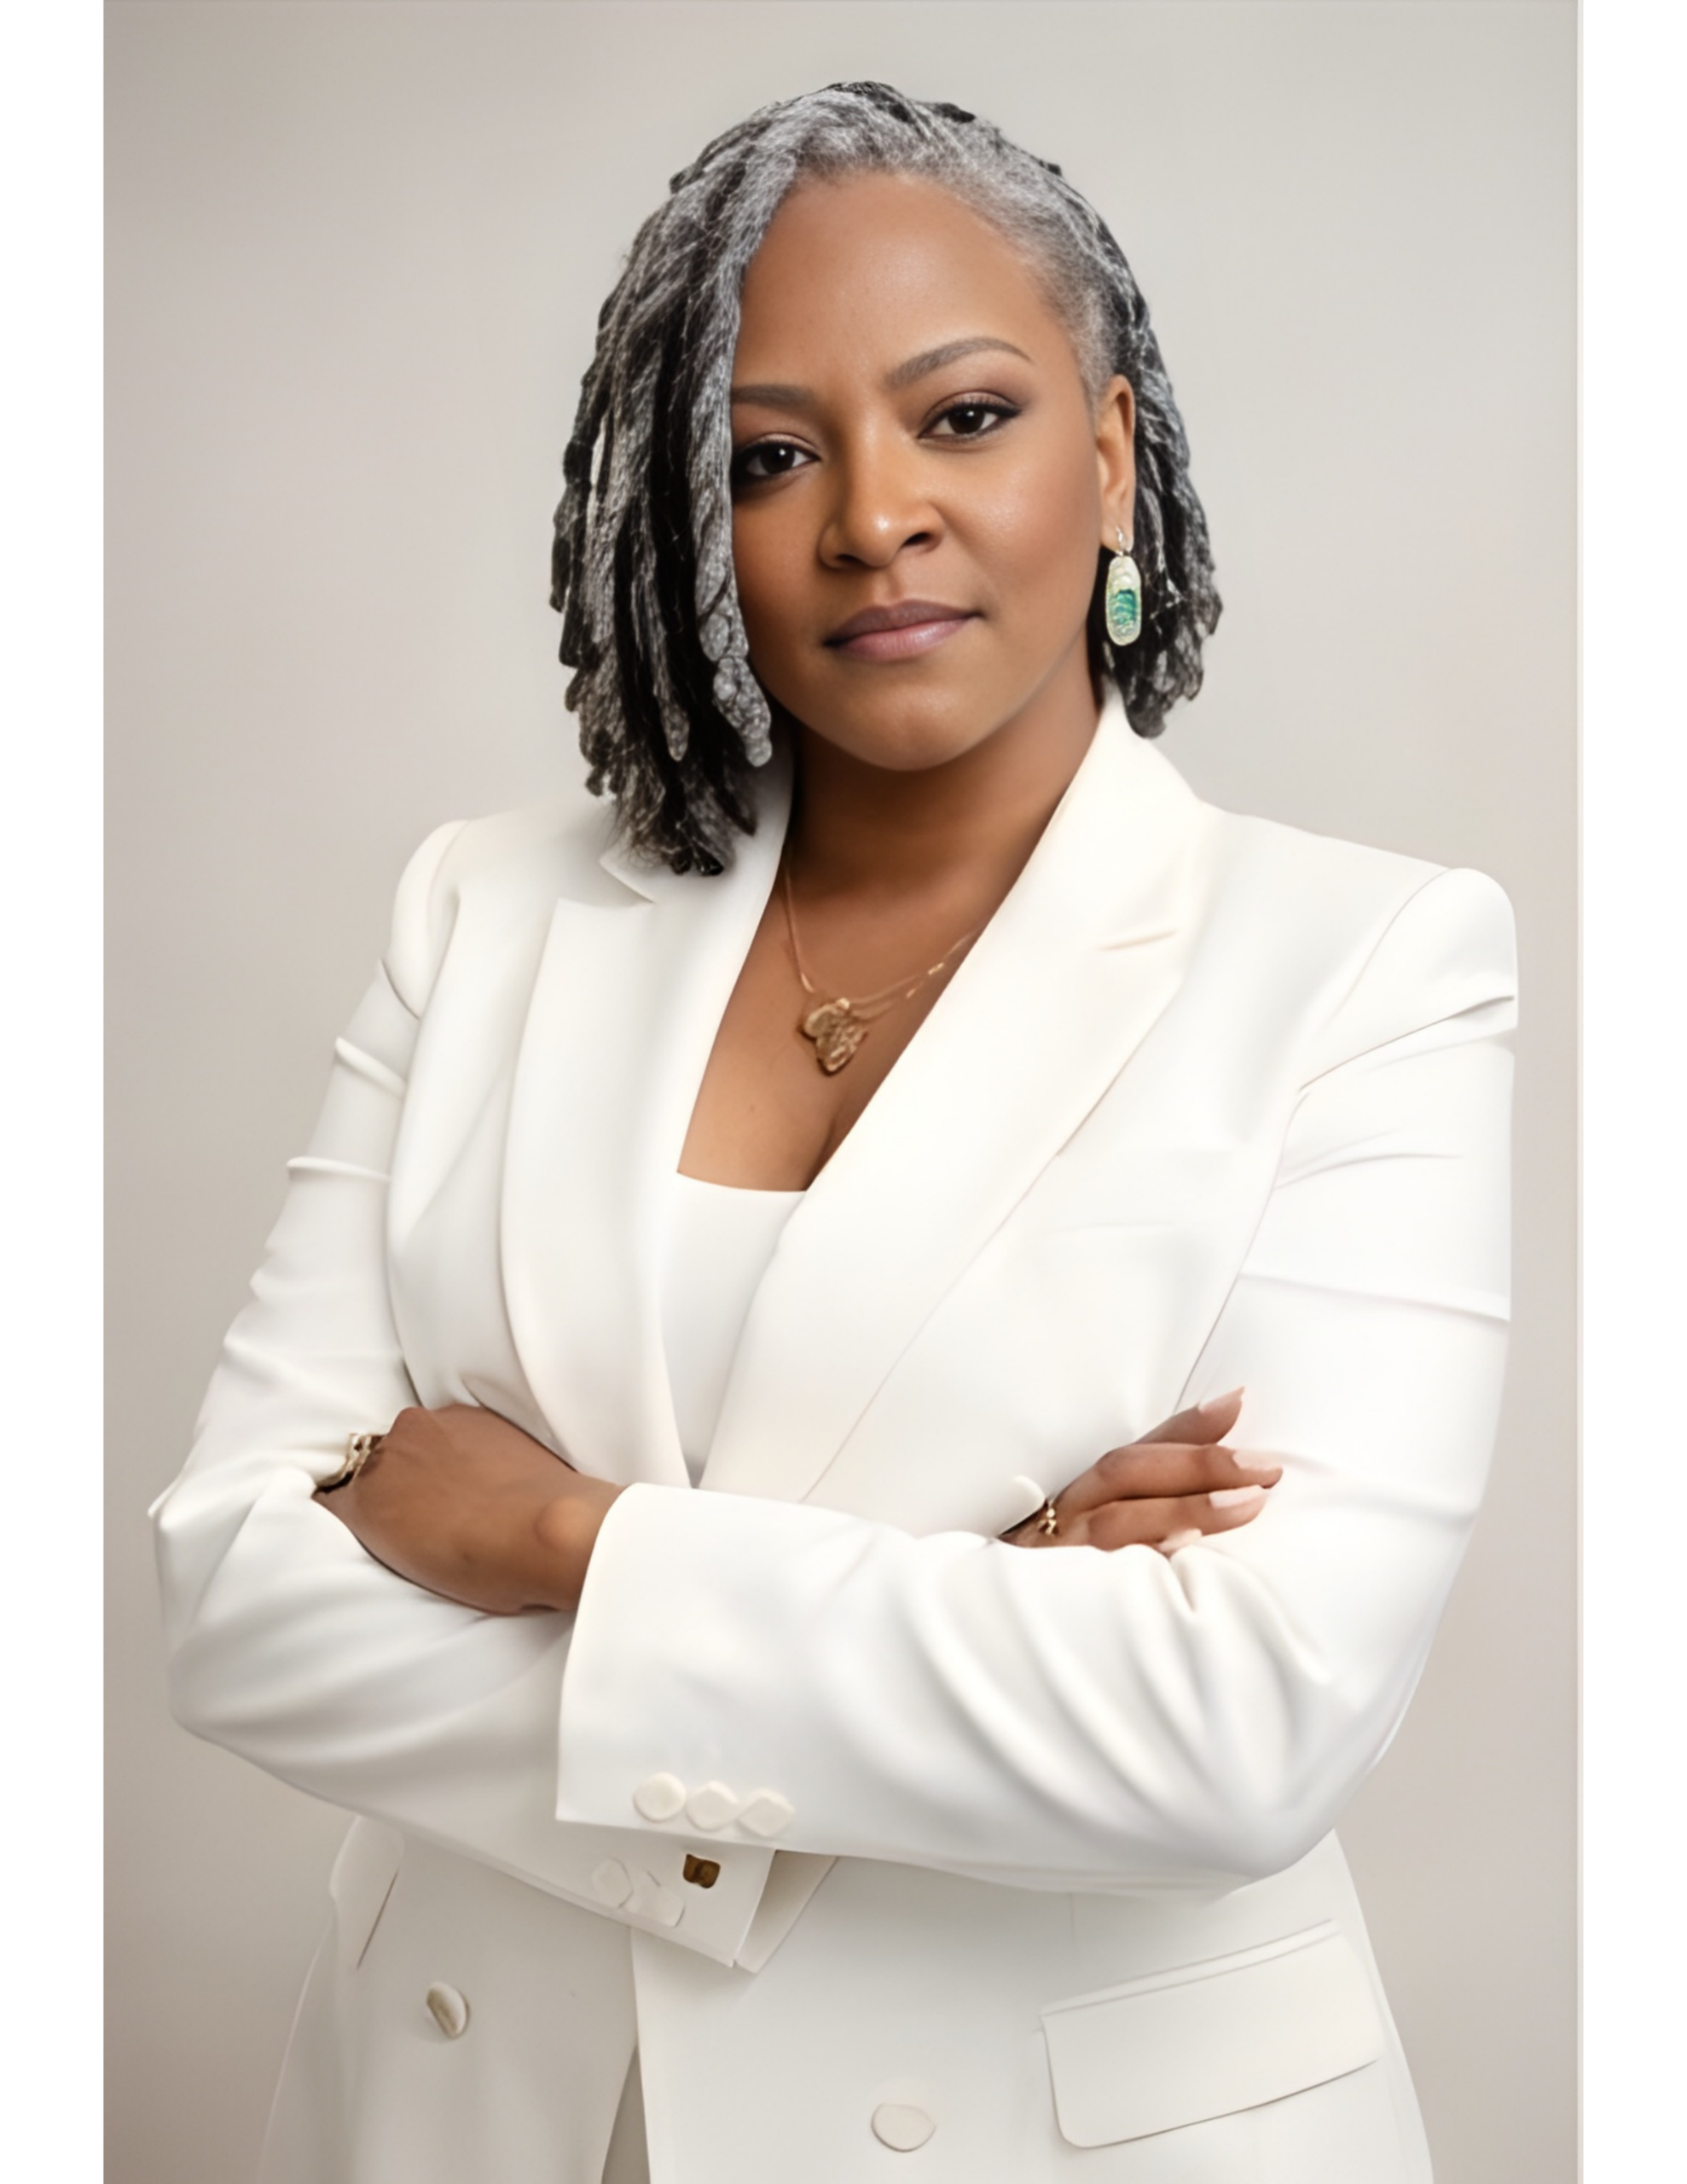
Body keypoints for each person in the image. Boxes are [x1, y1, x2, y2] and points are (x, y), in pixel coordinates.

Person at [151, 82, 1515, 2184]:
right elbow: (242, 1599)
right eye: (768, 456)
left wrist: (556, 1538)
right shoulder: (482, 911)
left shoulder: (1363, 963)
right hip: (481, 2115)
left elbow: (1238, 1729)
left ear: (1109, 451)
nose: (873, 516)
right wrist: (970, 1610)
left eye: (961, 416)